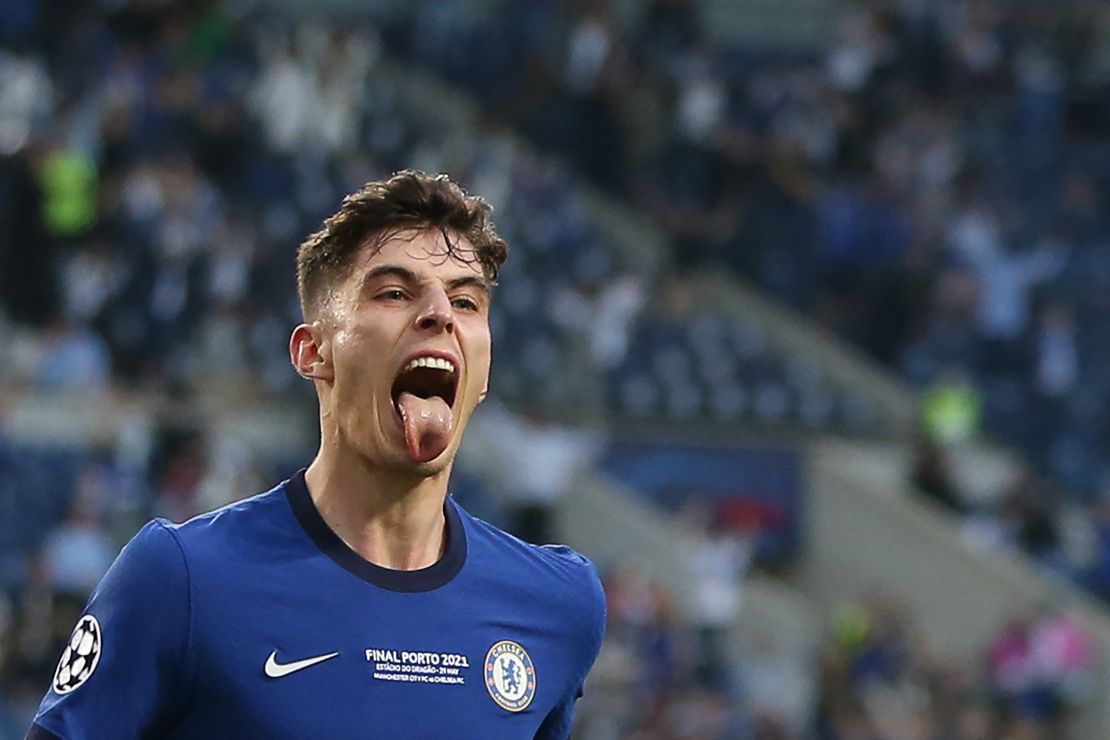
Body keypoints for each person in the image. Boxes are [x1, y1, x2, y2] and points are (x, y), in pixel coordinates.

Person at [28, 171, 607, 739]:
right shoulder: (181, 579)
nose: (440, 315)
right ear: (313, 353)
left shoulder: (557, 604)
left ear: (483, 372)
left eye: (466, 301)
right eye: (395, 293)